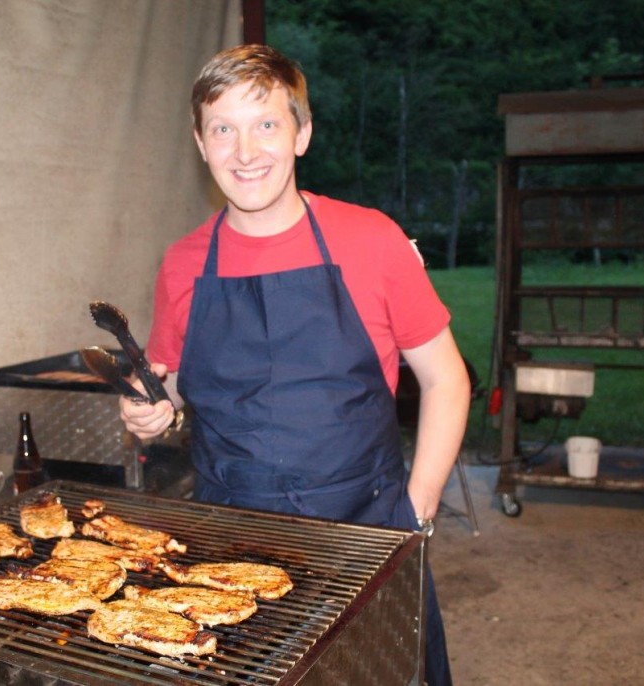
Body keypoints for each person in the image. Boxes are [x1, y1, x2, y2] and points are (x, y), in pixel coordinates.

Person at [120, 44, 469, 686]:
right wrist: (149, 408)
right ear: (201, 144)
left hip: (363, 533)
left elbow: (446, 379)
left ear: (302, 134)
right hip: (230, 545)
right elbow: (164, 378)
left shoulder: (372, 240)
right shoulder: (183, 263)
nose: (245, 152)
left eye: (267, 125)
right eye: (223, 128)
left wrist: (414, 511)